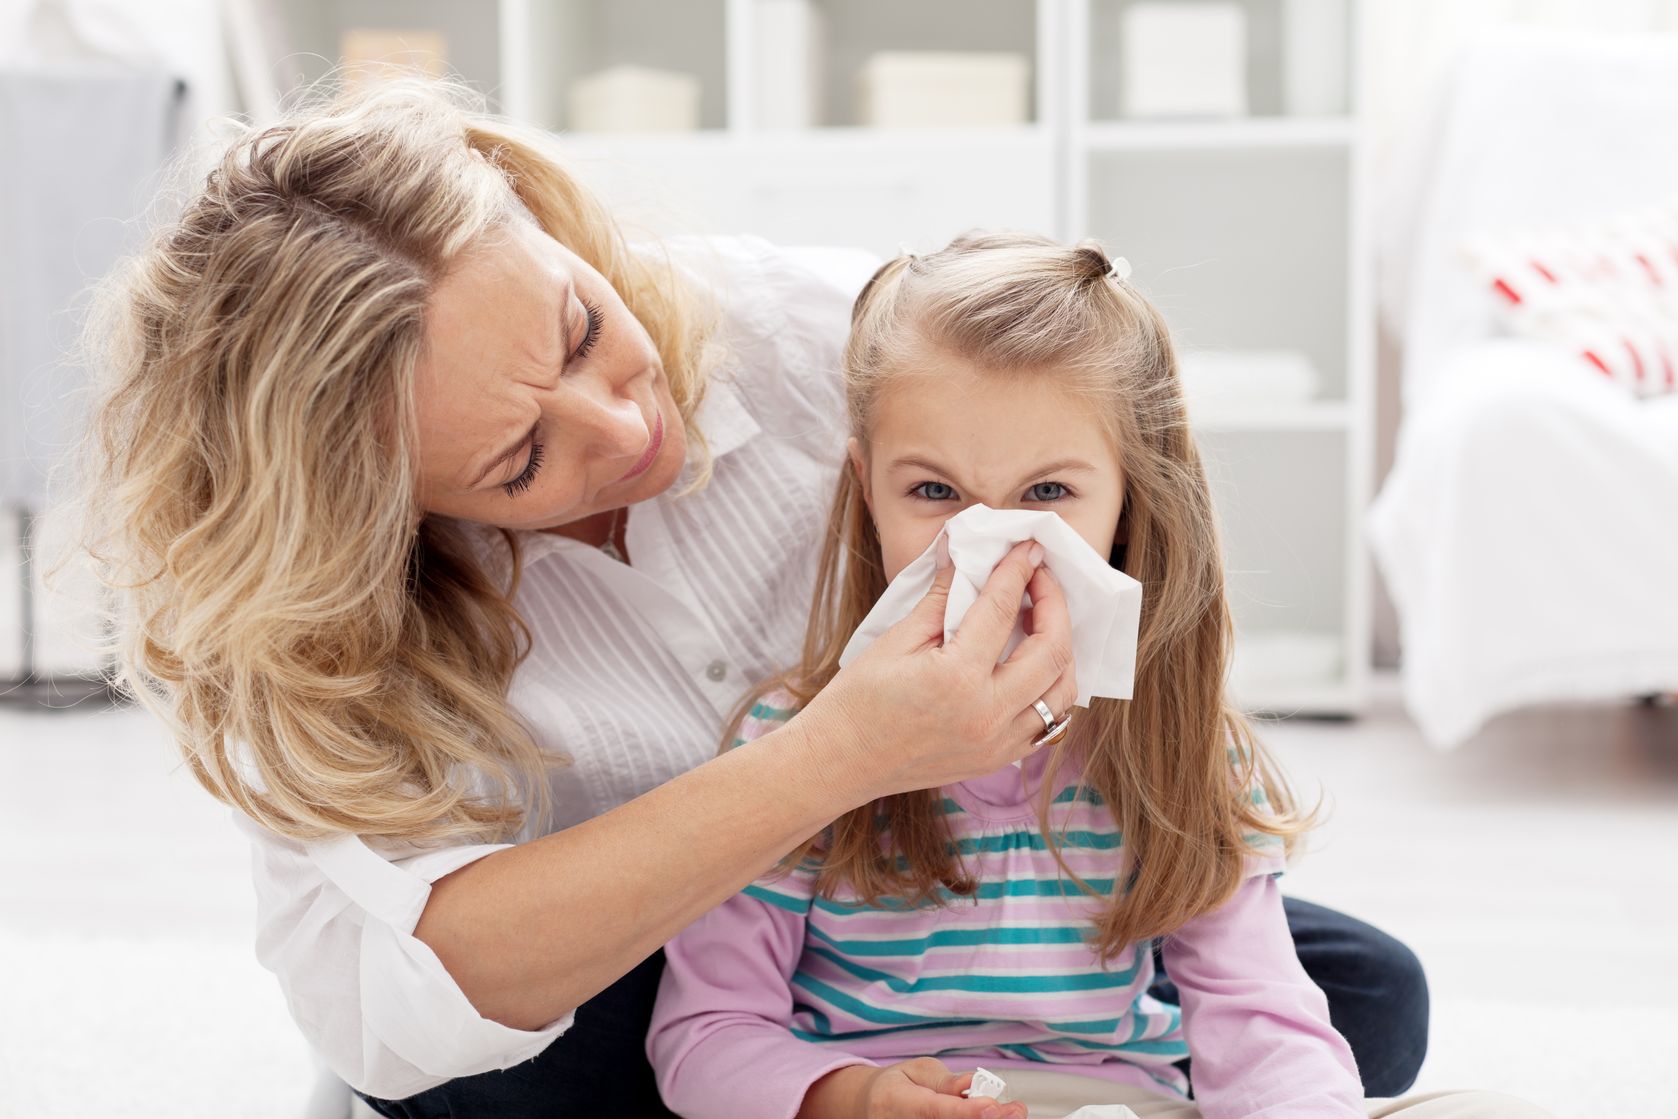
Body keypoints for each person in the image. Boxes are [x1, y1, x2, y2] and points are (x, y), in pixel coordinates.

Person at [71, 82, 1425, 1117]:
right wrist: (835, 754)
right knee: (495, 1081)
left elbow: (1101, 475)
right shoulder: (311, 617)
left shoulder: (833, 345)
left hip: (912, 898)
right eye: (518, 459)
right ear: (381, 505)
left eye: (583, 330)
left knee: (1361, 994)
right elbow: (391, 1012)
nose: (620, 425)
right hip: (628, 955)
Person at [647, 234, 1544, 1119]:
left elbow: (1261, 1022)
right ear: (867, 486)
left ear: (1128, 500)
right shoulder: (788, 741)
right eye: (933, 491)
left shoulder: (1177, 746)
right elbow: (705, 1037)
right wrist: (857, 1096)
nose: (989, 542)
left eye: (1047, 494)